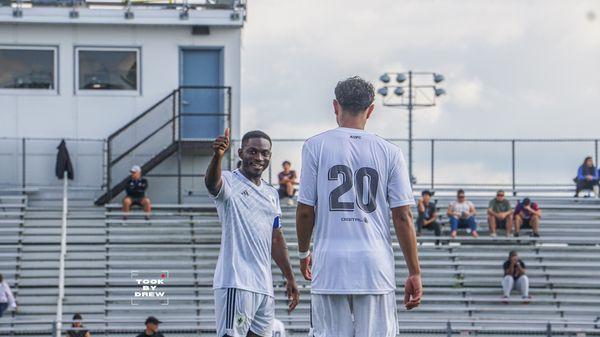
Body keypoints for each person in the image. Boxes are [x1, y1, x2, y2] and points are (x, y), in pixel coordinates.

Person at [296, 76, 422, 337]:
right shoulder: (390, 151)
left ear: (335, 106)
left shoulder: (315, 145)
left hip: (330, 264)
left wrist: (303, 252)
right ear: (371, 109)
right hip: (374, 266)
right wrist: (414, 272)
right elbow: (403, 216)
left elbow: (306, 210)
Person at [205, 128, 299, 337]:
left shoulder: (271, 193)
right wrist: (217, 156)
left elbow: (276, 238)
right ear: (241, 153)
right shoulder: (229, 180)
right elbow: (212, 184)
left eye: (264, 153)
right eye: (252, 151)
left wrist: (290, 278)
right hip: (236, 282)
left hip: (264, 287)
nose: (259, 157)